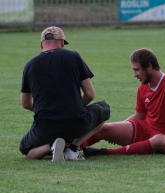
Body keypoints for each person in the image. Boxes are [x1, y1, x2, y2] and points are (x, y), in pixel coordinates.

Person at [81, 48, 165, 156]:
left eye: (137, 70)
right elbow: (139, 116)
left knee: (159, 141)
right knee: (105, 128)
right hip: (145, 129)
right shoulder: (142, 88)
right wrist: (119, 128)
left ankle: (105, 153)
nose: (134, 75)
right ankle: (70, 148)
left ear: (149, 67)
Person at [19, 26, 110, 162]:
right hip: (76, 121)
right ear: (62, 43)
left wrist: (45, 110)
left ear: (41, 45)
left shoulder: (30, 65)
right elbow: (90, 94)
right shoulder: (73, 56)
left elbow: (25, 103)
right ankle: (73, 149)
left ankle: (52, 146)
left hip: (45, 126)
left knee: (26, 151)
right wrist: (75, 108)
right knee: (103, 109)